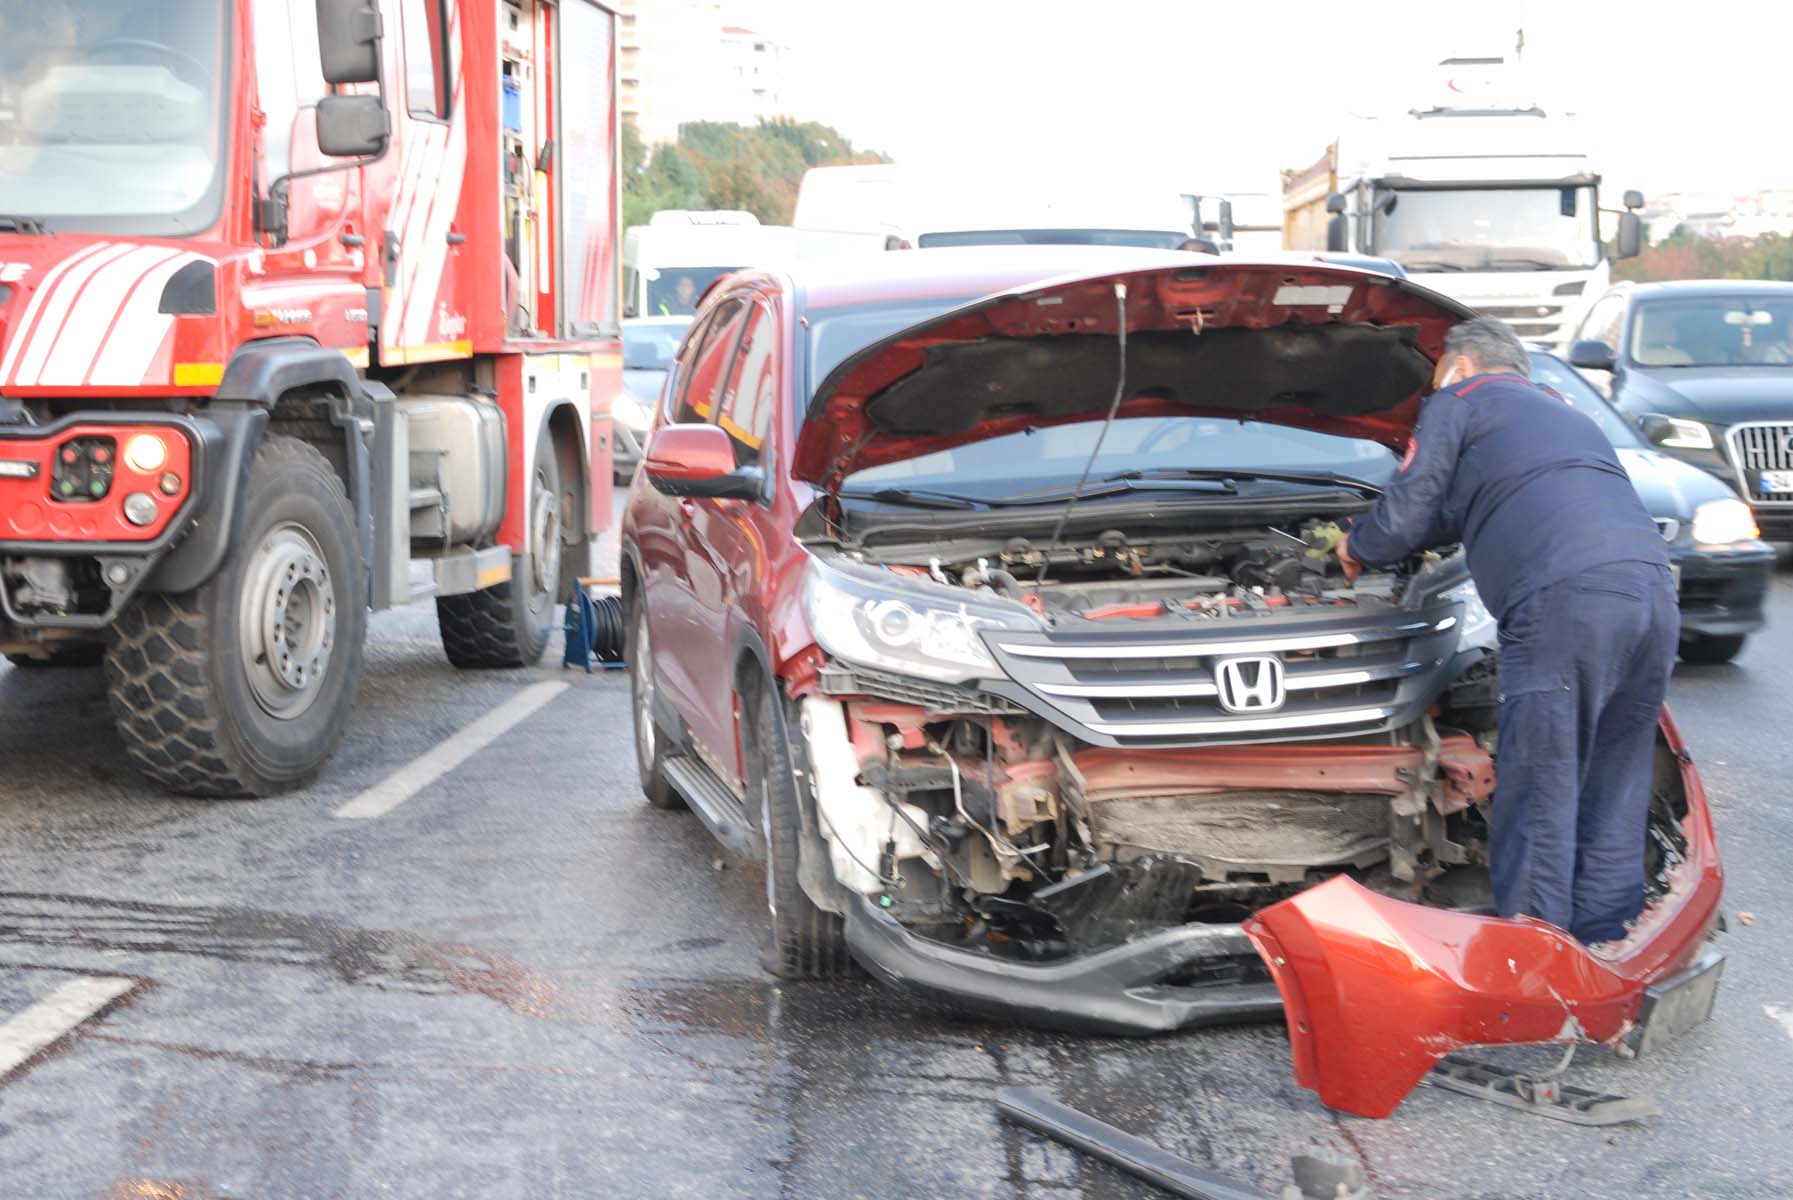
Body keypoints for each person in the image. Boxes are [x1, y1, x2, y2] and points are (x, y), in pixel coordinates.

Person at [1338, 316, 1678, 946]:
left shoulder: (1459, 400)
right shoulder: (1560, 410)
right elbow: (1469, 506)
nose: (1433, 392)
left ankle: (1533, 952)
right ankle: (1606, 939)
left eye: (1437, 378)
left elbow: (1408, 510)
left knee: (1541, 780)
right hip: (1652, 591)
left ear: (1460, 366)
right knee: (1615, 777)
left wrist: (1357, 545)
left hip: (1567, 601)